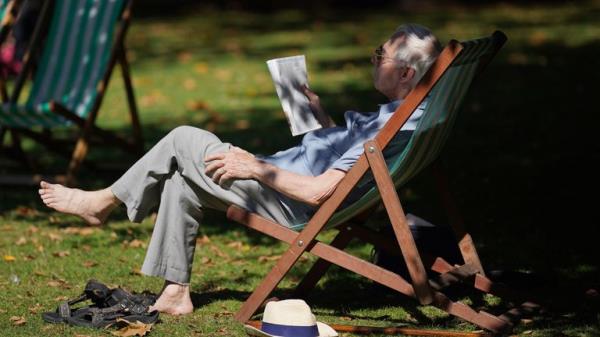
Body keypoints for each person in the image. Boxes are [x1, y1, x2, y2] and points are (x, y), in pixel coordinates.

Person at [38, 24, 442, 315]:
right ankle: (176, 293)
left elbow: (321, 192)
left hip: (291, 201)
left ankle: (103, 202)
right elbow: (346, 163)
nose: (373, 59)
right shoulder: (405, 115)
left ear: (406, 73)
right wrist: (317, 117)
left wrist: (255, 168)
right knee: (182, 180)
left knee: (182, 138)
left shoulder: (393, 127)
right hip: (284, 182)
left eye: (381, 56)